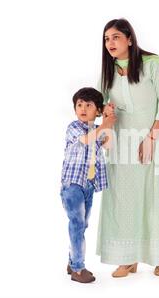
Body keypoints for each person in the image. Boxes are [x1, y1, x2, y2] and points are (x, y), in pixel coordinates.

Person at [96, 18, 159, 277]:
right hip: (122, 143)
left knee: (156, 197)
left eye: (115, 37)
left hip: (154, 140)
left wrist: (151, 137)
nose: (110, 43)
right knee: (123, 200)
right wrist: (106, 111)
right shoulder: (109, 71)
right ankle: (129, 257)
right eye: (106, 39)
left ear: (130, 39)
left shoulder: (153, 66)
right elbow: (104, 103)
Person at [60, 87, 116, 283]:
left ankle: (72, 261)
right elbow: (85, 140)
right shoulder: (74, 127)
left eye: (88, 105)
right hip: (72, 185)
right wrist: (105, 123)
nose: (82, 108)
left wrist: (108, 119)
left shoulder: (97, 130)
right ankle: (77, 268)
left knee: (82, 225)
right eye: (79, 105)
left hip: (88, 185)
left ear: (97, 111)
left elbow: (107, 144)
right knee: (76, 224)